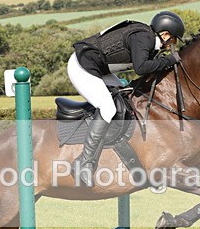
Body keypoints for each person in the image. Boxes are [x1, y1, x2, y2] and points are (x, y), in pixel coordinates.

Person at [67, 11, 185, 186]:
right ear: (166, 34)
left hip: (100, 69)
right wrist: (169, 61)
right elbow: (141, 68)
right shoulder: (144, 38)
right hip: (82, 66)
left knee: (126, 97)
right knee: (108, 108)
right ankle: (84, 163)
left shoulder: (148, 40)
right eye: (173, 40)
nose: (172, 45)